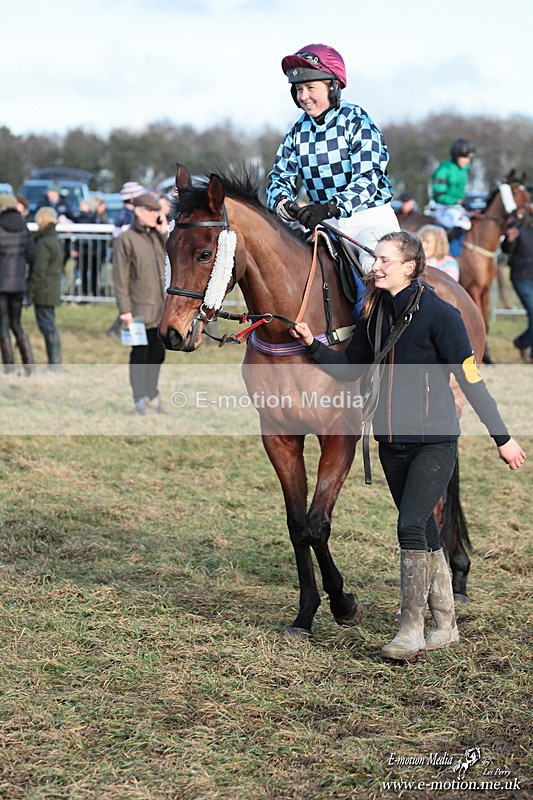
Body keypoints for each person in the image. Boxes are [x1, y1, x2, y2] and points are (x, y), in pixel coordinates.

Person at [290, 230, 525, 661]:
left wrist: (502, 437)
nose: (374, 266)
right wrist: (312, 346)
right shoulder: (375, 314)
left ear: (410, 267)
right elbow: (349, 367)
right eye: (375, 258)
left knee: (409, 525)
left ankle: (411, 628)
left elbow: (472, 382)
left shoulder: (442, 315)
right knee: (425, 528)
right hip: (390, 444)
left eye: (383, 259)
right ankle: (446, 624)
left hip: (434, 443)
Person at [266, 43, 399, 274]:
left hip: (369, 221)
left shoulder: (357, 121)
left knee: (376, 270)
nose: (304, 96)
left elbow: (369, 178)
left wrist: (331, 206)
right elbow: (279, 177)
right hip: (326, 226)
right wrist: (282, 203)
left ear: (333, 87)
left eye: (310, 87)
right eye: (298, 89)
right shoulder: (297, 131)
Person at [112, 193, 167, 415]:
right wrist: (125, 310)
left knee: (158, 354)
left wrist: (164, 233)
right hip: (138, 310)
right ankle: (139, 398)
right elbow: (120, 278)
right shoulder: (125, 239)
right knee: (140, 355)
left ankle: (151, 393)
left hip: (161, 309)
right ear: (139, 211)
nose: (157, 216)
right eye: (153, 212)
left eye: (158, 212)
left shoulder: (157, 236)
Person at [0, 193, 35, 374]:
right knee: (17, 324)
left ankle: (9, 368)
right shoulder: (24, 227)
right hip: (19, 283)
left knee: (3, 326)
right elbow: (31, 256)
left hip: (1, 284)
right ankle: (29, 365)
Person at [106, 181, 146, 338]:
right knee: (131, 297)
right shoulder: (125, 216)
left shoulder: (129, 215)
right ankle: (119, 329)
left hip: (131, 262)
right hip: (128, 263)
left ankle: (118, 329)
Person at [27, 206, 64, 371]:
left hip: (44, 290)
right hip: (51, 288)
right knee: (50, 325)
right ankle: (55, 362)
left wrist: (29, 290)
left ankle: (54, 364)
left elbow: (39, 271)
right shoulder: (54, 239)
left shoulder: (44, 242)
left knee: (47, 326)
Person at [431, 139, 475, 256]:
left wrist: (464, 201)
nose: (467, 160)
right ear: (456, 156)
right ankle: (446, 255)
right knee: (458, 226)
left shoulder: (465, 168)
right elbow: (439, 196)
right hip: (443, 207)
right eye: (464, 157)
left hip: (458, 207)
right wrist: (457, 201)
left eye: (469, 158)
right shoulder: (443, 170)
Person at [501, 206, 533, 363]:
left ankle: (524, 342)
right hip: (522, 276)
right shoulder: (517, 224)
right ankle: (523, 342)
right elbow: (506, 249)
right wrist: (509, 241)